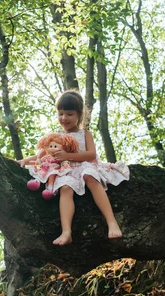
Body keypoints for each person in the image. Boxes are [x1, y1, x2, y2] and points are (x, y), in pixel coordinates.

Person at [17, 90, 129, 246]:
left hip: (85, 166)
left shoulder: (85, 134)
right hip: (66, 170)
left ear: (79, 114)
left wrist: (67, 156)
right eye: (61, 113)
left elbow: (91, 154)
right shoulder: (56, 136)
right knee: (65, 188)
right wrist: (25, 160)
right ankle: (66, 232)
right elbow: (42, 155)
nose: (64, 118)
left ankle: (111, 221)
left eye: (69, 114)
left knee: (90, 177)